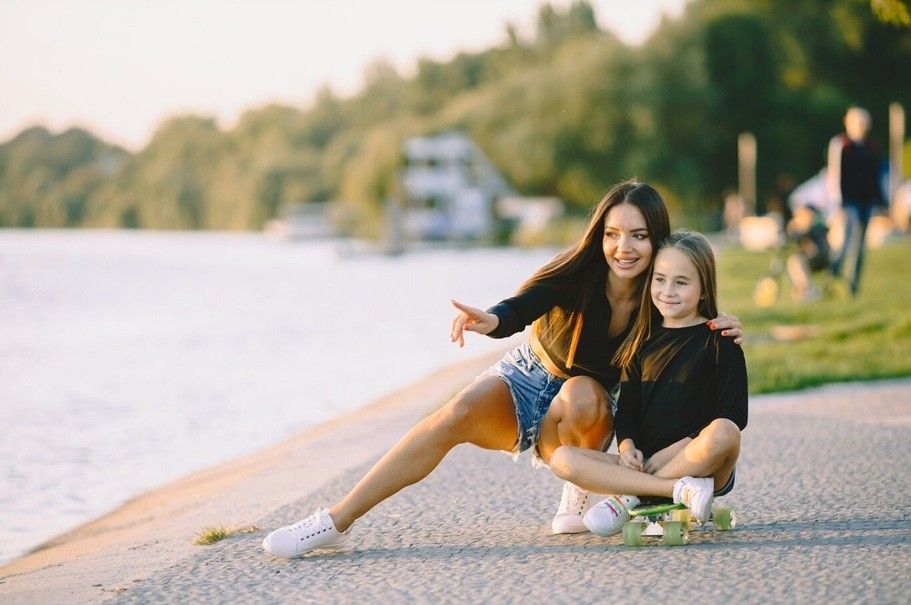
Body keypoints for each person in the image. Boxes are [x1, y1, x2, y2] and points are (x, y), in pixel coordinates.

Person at [261, 181, 743, 558]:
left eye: (638, 235)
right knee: (451, 416)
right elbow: (524, 304)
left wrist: (724, 325)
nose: (624, 248)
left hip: (582, 411)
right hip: (527, 377)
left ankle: (579, 489)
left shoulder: (658, 294)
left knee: (583, 392)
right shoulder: (577, 271)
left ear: (656, 239)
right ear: (599, 234)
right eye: (612, 234)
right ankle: (335, 521)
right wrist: (493, 320)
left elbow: (693, 323)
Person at [548, 230, 747, 534]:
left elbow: (735, 413)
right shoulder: (640, 342)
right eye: (660, 279)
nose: (668, 291)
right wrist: (627, 447)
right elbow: (627, 411)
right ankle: (674, 490)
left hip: (700, 461)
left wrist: (669, 455)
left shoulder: (719, 340)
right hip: (646, 463)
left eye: (681, 282)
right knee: (562, 458)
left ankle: (630, 497)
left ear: (704, 290)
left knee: (726, 432)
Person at [826, 107, 885, 296]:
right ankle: (833, 274)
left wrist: (882, 201)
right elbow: (835, 175)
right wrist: (838, 203)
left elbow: (876, 176)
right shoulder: (841, 144)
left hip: (866, 201)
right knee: (846, 240)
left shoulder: (872, 147)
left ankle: (853, 285)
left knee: (859, 244)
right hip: (847, 201)